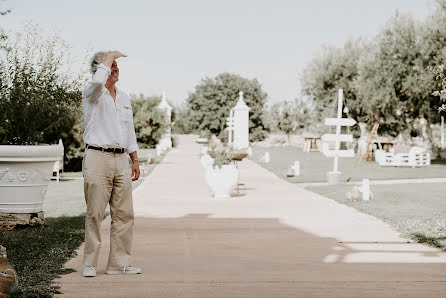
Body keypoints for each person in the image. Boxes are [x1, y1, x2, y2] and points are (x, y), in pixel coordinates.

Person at [81, 51, 141, 277]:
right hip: (97, 157)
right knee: (95, 213)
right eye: (111, 65)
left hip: (121, 159)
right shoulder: (92, 92)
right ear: (100, 68)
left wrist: (134, 159)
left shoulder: (124, 97)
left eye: (117, 65)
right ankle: (89, 263)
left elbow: (130, 131)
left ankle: (118, 264)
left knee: (125, 213)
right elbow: (98, 81)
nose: (115, 68)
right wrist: (109, 56)